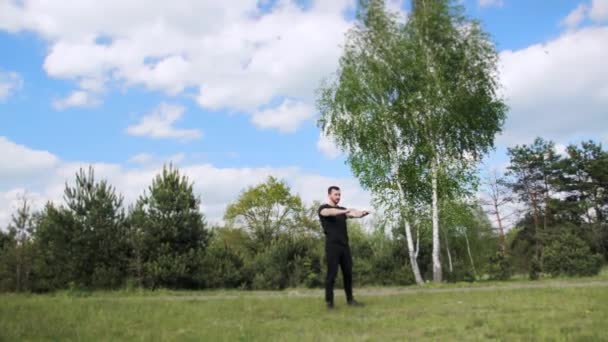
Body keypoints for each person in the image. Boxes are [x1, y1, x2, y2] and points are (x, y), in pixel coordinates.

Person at [318, 185, 369, 309]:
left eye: (339, 195)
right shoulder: (323, 208)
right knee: (332, 274)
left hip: (344, 247)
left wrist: (361, 214)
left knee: (348, 274)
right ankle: (329, 303)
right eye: (336, 194)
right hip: (332, 247)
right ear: (329, 195)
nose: (338, 197)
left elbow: (353, 214)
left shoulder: (342, 210)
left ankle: (350, 300)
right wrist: (344, 211)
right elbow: (330, 212)